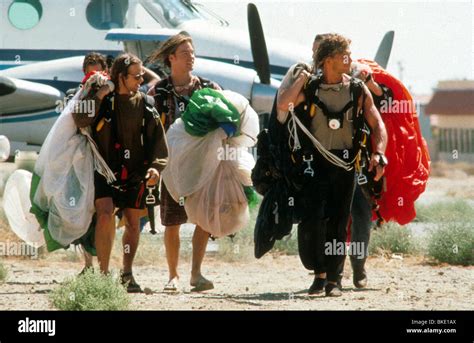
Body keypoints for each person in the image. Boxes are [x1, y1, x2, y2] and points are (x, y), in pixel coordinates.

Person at [276, 33, 388, 297]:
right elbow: (283, 104)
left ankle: (333, 280)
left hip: (347, 164)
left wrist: (379, 153)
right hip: (315, 164)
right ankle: (320, 274)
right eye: (344, 55)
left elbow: (377, 123)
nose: (350, 59)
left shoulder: (358, 90)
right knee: (315, 220)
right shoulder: (311, 88)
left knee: (339, 222)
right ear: (328, 60)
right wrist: (302, 78)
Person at [72, 53, 168, 292]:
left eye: (142, 76)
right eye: (136, 76)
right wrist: (100, 94)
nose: (141, 80)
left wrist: (156, 168)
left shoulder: (146, 104)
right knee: (104, 214)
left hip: (136, 172)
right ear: (120, 77)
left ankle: (127, 273)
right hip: (104, 169)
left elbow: (158, 141)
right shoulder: (102, 100)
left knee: (133, 223)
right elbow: (79, 118)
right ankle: (103, 276)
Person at [149, 33, 221, 292]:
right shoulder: (158, 91)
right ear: (171, 58)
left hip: (203, 165)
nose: (191, 57)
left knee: (202, 219)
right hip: (171, 167)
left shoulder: (208, 88)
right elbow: (149, 129)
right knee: (172, 221)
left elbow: (224, 122)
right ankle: (172, 275)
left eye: (192, 52)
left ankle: (196, 274)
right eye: (185, 53)